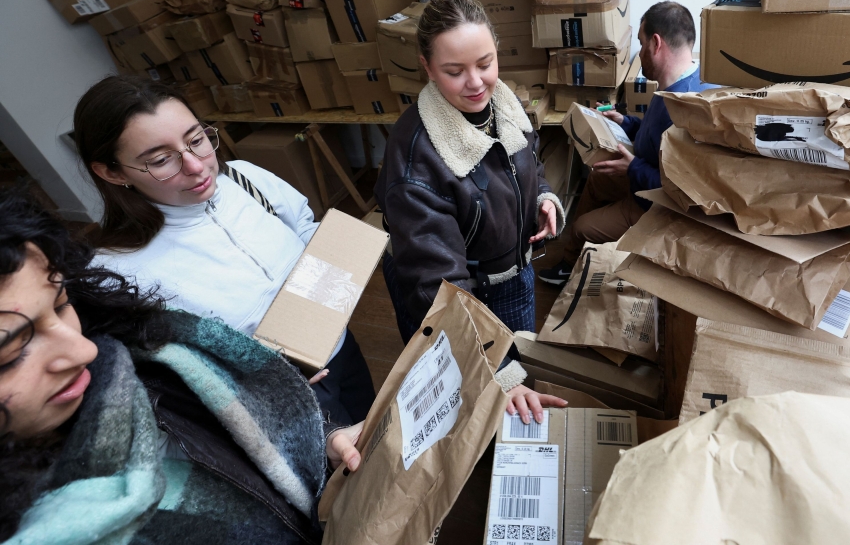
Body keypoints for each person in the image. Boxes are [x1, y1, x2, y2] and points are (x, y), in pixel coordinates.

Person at [0, 188, 565, 542]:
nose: (81, 350)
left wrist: (323, 434)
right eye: (12, 348)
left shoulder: (147, 344)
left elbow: (249, 410)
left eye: (61, 304)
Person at [73, 75, 372, 429]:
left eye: (197, 140)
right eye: (160, 159)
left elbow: (305, 230)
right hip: (274, 405)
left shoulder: (245, 179)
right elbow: (165, 380)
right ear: (111, 171)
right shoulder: (116, 273)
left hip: (339, 346)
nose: (197, 166)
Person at [375, 0, 566, 342]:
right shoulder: (416, 158)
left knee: (524, 372)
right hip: (467, 300)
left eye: (485, 63)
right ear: (428, 68)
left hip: (514, 274)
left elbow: (527, 159)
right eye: (455, 71)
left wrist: (542, 197)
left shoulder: (503, 104)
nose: (476, 82)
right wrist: (489, 364)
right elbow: (436, 287)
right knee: (483, 389)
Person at [538, 1, 718, 286]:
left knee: (583, 228)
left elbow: (684, 191)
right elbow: (654, 136)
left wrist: (632, 168)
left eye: (641, 42)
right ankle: (571, 261)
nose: (640, 51)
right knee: (598, 177)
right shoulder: (678, 84)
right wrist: (625, 122)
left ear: (656, 44)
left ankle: (575, 257)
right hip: (643, 178)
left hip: (658, 205)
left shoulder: (690, 109)